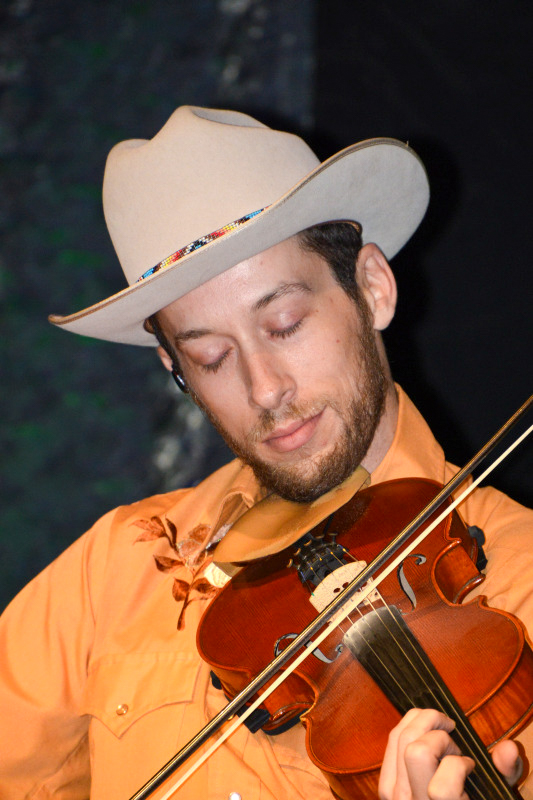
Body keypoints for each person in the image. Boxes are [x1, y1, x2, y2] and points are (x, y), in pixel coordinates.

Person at [0, 106, 531, 800]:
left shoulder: (516, 577)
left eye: (283, 325)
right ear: (175, 370)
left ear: (371, 287)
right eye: (212, 357)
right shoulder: (123, 566)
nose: (264, 389)